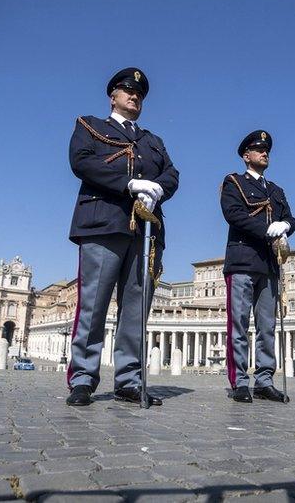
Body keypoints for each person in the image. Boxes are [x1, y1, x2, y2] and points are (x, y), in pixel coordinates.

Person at [65, 67, 179, 407]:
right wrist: (128, 183)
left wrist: (159, 188)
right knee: (94, 304)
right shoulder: (90, 126)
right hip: (103, 222)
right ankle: (83, 378)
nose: (135, 96)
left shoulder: (153, 141)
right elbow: (82, 162)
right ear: (112, 96)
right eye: (127, 90)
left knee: (136, 309)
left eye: (140, 94)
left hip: (145, 231)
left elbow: (172, 173)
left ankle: (129, 379)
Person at [220, 130, 295, 403]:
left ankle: (264, 380)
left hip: (269, 265)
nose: (265, 153)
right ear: (246, 155)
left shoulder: (276, 190)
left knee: (267, 327)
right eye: (259, 149)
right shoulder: (233, 183)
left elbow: (290, 217)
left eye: (267, 150)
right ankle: (239, 381)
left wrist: (285, 225)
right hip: (242, 260)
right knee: (238, 325)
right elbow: (234, 215)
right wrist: (268, 229)